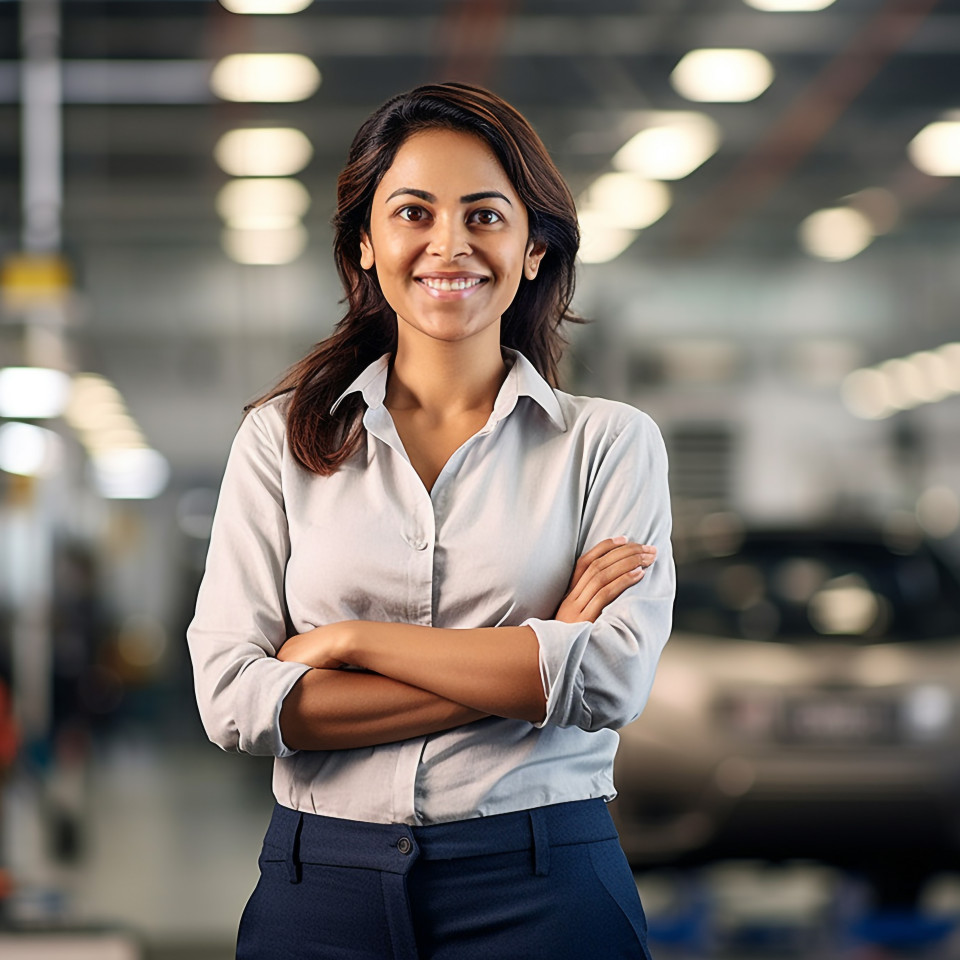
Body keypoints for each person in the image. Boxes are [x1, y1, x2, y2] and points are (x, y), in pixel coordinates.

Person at [187, 81, 675, 960]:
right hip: (320, 889)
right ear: (366, 245)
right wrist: (530, 664)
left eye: (486, 215)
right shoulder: (282, 440)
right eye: (414, 212)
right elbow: (233, 700)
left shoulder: (609, 445)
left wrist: (350, 643)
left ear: (533, 250)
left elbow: (607, 682)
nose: (449, 243)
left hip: (544, 885)